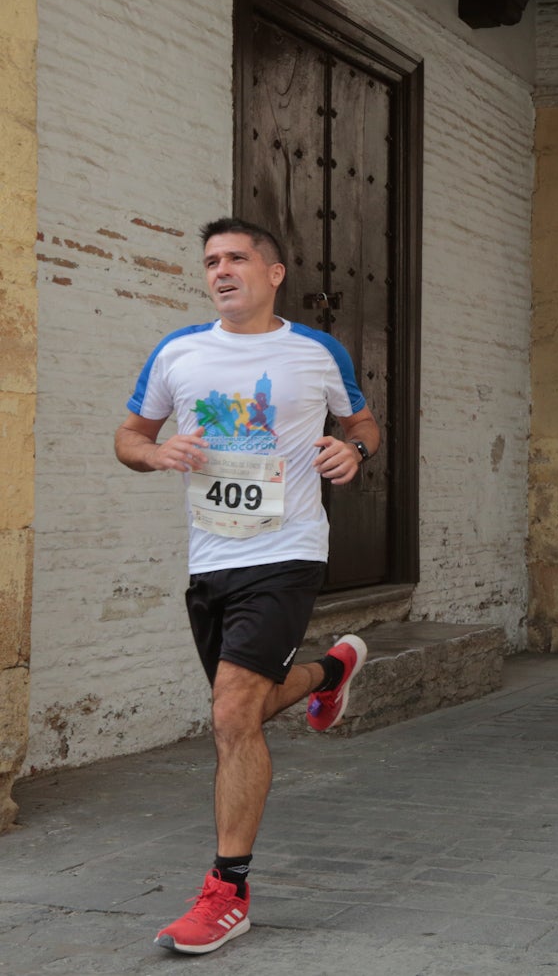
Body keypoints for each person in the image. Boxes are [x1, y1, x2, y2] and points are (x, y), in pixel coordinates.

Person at [116, 217, 379, 955]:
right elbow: (128, 435)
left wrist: (352, 448)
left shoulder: (315, 351)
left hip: (288, 550)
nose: (221, 270)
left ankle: (227, 890)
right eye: (210, 261)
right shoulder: (179, 352)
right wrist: (155, 451)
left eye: (236, 258)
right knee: (244, 709)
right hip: (210, 559)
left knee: (232, 713)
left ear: (272, 273)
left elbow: (363, 420)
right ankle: (331, 670)